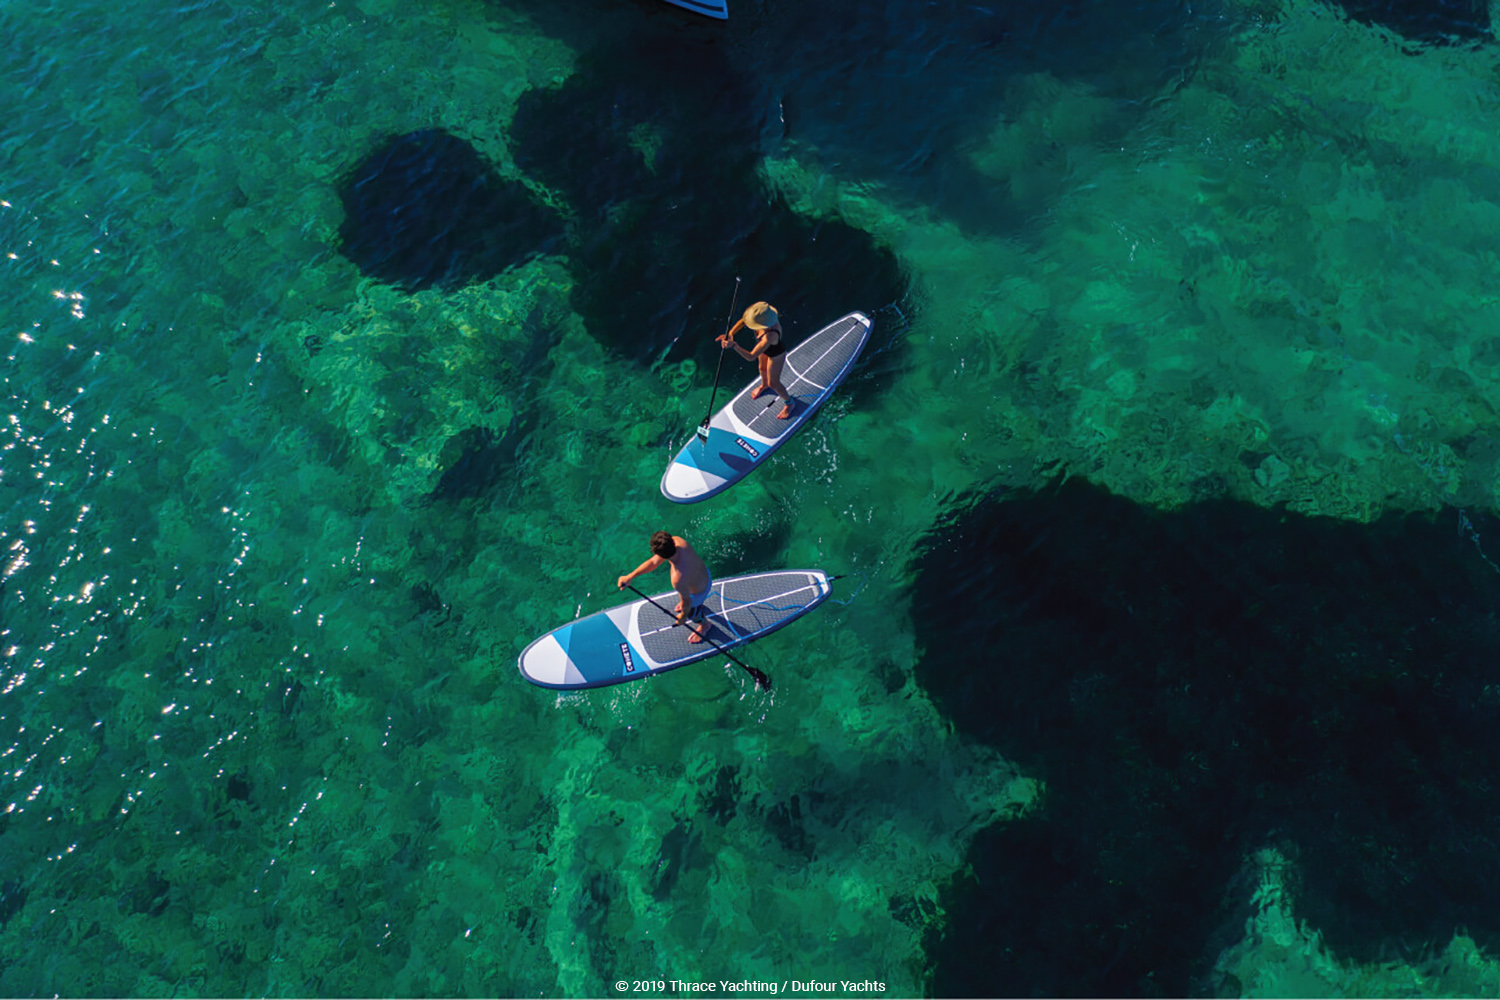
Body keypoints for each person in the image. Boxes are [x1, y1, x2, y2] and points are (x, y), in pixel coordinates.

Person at [617, 531, 714, 643]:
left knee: (692, 613)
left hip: (698, 593)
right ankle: (691, 604)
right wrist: (630, 576)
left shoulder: (678, 578)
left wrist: (683, 617)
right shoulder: (678, 541)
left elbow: (687, 602)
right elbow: (653, 562)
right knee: (685, 593)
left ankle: (705, 625)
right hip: (704, 575)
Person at [718, 301, 794, 419]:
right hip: (763, 349)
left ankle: (789, 403)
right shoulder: (759, 317)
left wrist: (734, 345)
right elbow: (743, 321)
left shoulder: (770, 335)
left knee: (774, 383)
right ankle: (764, 386)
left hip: (776, 354)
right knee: (761, 368)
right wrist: (731, 333)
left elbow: (751, 356)